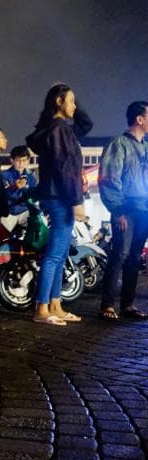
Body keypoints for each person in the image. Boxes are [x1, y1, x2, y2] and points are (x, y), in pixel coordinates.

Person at [25, 83, 93, 326]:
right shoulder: (58, 129)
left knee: (60, 252)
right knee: (54, 255)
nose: (74, 105)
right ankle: (42, 308)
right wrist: (76, 201)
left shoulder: (58, 128)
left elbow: (86, 124)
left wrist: (73, 100)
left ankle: (55, 304)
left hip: (57, 196)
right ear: (58, 102)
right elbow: (66, 168)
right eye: (71, 101)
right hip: (61, 197)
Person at [97, 101, 148, 320]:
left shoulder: (145, 146)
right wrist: (117, 210)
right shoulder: (118, 144)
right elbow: (109, 178)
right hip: (126, 208)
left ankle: (127, 304)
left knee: (135, 258)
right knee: (119, 254)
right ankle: (107, 305)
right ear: (140, 119)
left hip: (144, 209)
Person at [0, 145, 37, 231]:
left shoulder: (31, 176)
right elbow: (3, 197)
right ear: (12, 160)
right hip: (9, 213)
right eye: (18, 161)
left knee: (40, 223)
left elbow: (34, 195)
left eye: (24, 160)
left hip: (25, 211)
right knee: (3, 235)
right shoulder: (4, 176)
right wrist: (15, 187)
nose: (21, 164)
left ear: (28, 161)